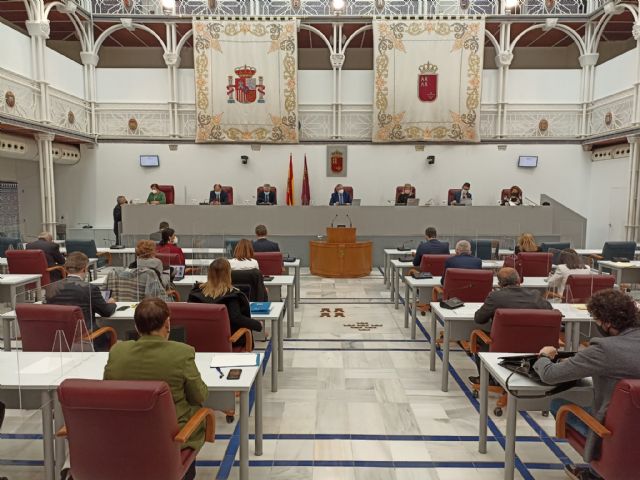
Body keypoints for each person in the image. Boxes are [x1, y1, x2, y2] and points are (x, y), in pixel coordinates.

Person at [534, 289, 640, 480]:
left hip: (613, 433)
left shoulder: (604, 349)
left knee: (558, 405)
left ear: (607, 323)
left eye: (596, 319)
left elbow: (550, 375)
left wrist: (543, 356)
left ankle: (595, 473)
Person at [104, 297, 208, 480]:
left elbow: (108, 389)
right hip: (171, 437)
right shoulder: (182, 353)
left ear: (136, 327)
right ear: (167, 324)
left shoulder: (117, 351)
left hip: (125, 433)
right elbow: (198, 396)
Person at [468, 267, 553, 383]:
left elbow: (479, 319)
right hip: (535, 346)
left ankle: (487, 379)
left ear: (499, 283)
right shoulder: (535, 295)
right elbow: (550, 313)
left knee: (478, 337)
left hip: (503, 346)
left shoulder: (495, 296)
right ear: (519, 281)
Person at [45, 252, 117, 350]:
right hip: (87, 338)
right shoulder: (90, 288)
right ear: (84, 269)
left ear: (66, 269)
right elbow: (106, 312)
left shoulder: (50, 288)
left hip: (58, 339)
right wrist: (112, 303)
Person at [188, 258, 263, 348]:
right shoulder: (231, 296)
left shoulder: (195, 294)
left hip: (198, 343)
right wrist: (258, 325)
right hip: (229, 343)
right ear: (228, 274)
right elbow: (236, 318)